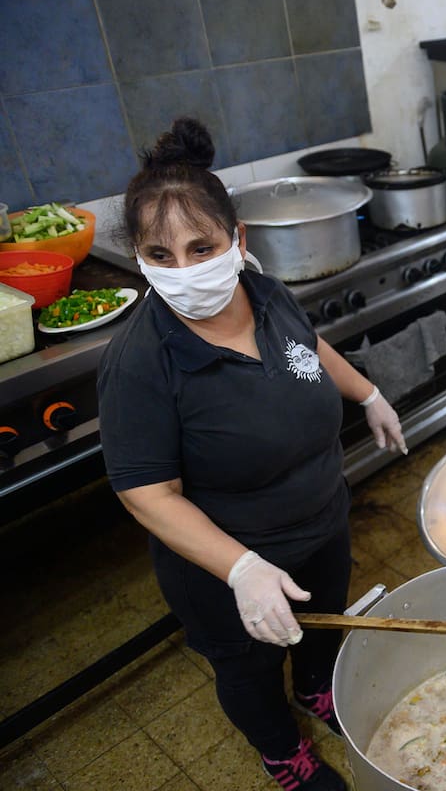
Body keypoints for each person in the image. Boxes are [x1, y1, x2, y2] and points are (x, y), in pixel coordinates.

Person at [98, 118, 407, 791]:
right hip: (226, 567)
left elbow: (310, 348)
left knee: (320, 628)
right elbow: (145, 493)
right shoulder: (141, 364)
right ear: (142, 261)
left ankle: (316, 689)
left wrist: (368, 393)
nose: (183, 270)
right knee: (249, 670)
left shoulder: (263, 294)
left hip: (322, 523)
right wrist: (241, 569)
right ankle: (281, 750)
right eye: (160, 254)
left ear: (236, 241)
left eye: (200, 246)